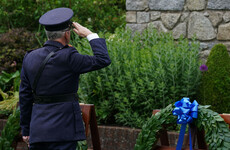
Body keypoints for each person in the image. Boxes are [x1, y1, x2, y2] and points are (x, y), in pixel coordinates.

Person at [19, 7, 111, 150]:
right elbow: (103, 59)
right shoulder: (69, 57)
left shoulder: (30, 57)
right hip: (64, 131)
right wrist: (90, 34)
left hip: (38, 131)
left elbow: (25, 96)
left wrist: (26, 129)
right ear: (67, 34)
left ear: (47, 33)